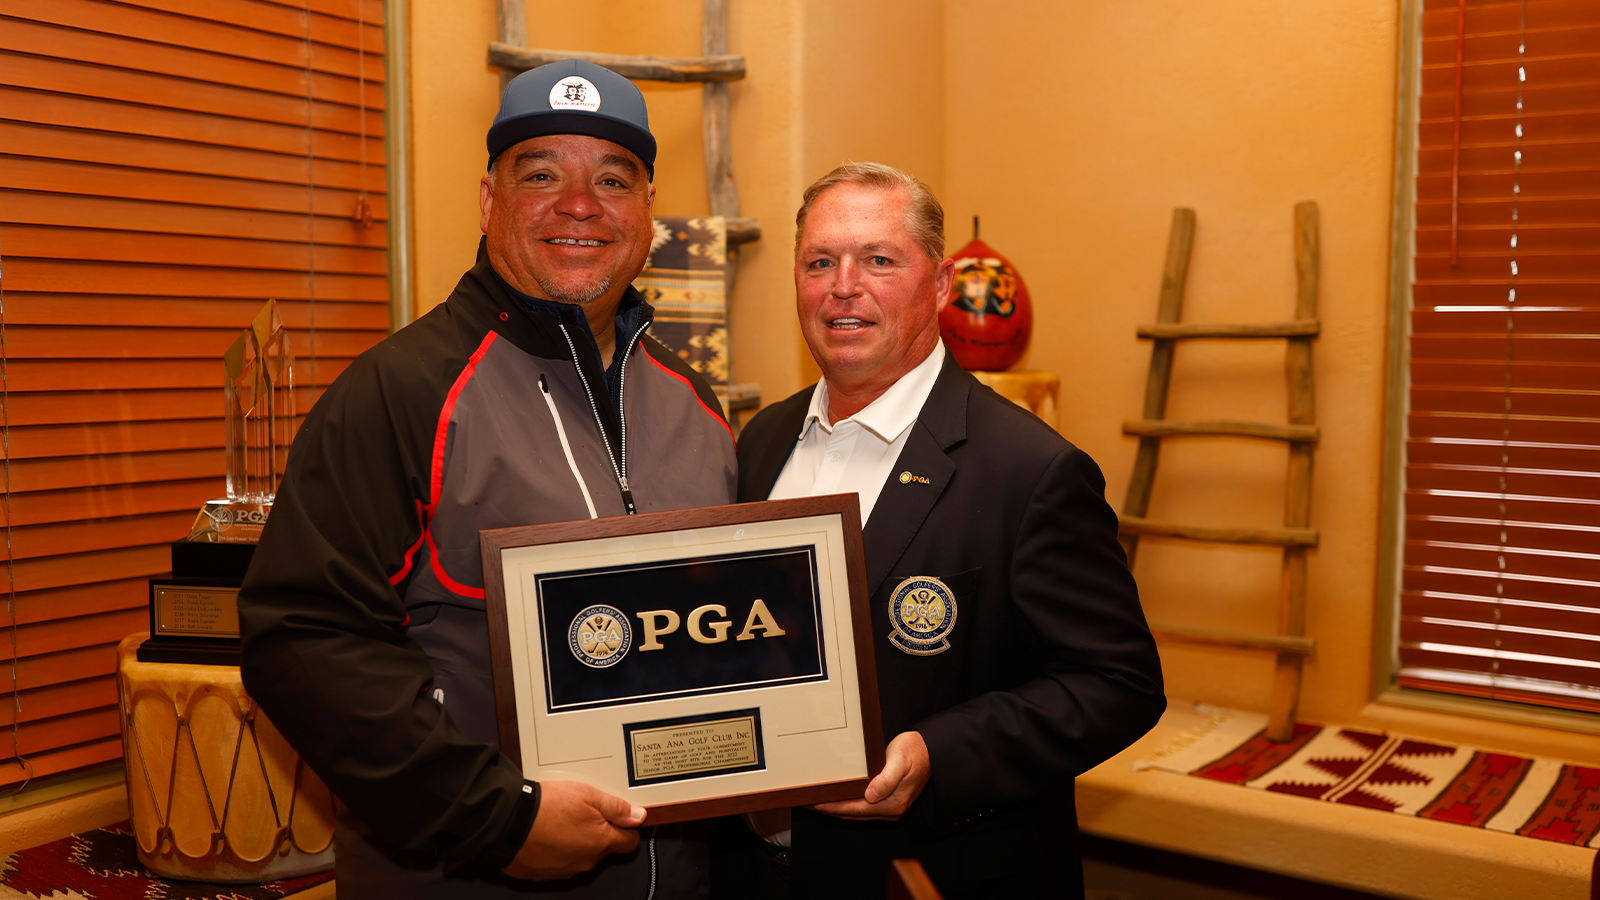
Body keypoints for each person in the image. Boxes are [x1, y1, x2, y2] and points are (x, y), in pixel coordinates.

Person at [238, 59, 736, 897]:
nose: (579, 203)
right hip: (469, 873)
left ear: (649, 212)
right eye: (540, 174)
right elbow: (304, 639)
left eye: (613, 178)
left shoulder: (699, 402)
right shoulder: (401, 391)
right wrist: (495, 819)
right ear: (487, 201)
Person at [725, 163, 1165, 898]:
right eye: (820, 262)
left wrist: (938, 752)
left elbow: (1117, 684)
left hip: (934, 873)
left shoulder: (1031, 471)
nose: (844, 285)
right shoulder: (761, 441)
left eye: (879, 260)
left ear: (938, 286)